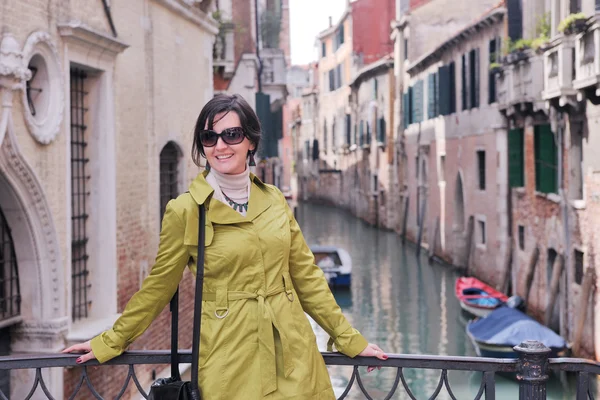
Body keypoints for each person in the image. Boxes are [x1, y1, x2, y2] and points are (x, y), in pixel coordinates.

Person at [63, 94, 387, 399]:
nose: (220, 146)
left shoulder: (274, 200)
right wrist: (112, 340)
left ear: (251, 141)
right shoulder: (185, 210)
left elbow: (307, 277)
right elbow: (158, 288)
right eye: (209, 137)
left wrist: (348, 339)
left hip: (293, 352)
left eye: (231, 134)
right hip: (229, 356)